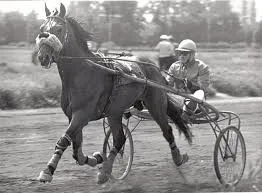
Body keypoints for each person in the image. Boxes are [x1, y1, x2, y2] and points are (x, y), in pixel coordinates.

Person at [166, 39, 210, 122]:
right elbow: (168, 84)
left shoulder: (202, 67)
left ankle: (186, 114)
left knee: (200, 93)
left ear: (192, 54)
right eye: (180, 53)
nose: (181, 56)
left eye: (185, 53)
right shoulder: (174, 66)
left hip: (196, 101)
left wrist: (190, 85)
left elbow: (203, 88)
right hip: (178, 99)